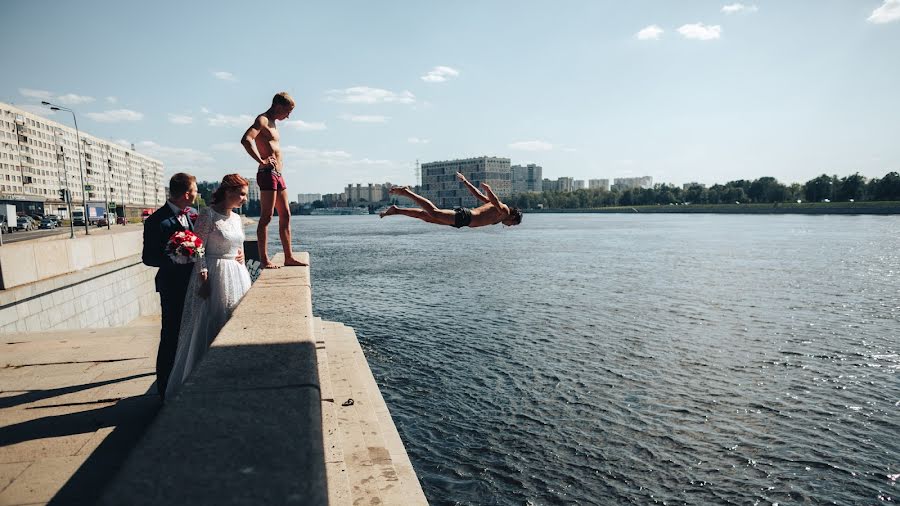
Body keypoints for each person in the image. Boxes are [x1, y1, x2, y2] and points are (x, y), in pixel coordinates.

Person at [165, 174, 253, 399]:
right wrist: (204, 279)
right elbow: (199, 249)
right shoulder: (208, 214)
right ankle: (204, 380)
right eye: (241, 194)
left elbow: (237, 243)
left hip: (237, 273)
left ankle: (232, 376)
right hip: (214, 274)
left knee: (231, 321)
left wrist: (240, 253)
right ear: (228, 192)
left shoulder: (236, 217)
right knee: (211, 323)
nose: (244, 199)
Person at [142, 173, 199, 399]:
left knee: (192, 333)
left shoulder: (194, 215)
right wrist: (177, 256)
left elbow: (200, 246)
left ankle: (187, 378)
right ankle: (164, 388)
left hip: (194, 284)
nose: (196, 194)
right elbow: (148, 258)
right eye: (194, 190)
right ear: (186, 193)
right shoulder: (157, 220)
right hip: (172, 286)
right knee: (171, 335)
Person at [240, 91, 307, 269]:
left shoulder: (274, 124)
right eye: (288, 111)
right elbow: (246, 140)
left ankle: (289, 257)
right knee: (266, 217)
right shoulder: (262, 120)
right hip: (267, 173)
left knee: (286, 214)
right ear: (278, 106)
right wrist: (261, 161)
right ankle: (264, 260)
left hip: (278, 174)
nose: (289, 116)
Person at [380, 172, 523, 228]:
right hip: (465, 217)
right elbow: (495, 200)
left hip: (464, 221)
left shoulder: (500, 215)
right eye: (512, 224)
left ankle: (397, 210)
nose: (509, 226)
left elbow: (478, 196)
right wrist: (489, 189)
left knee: (426, 217)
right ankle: (407, 193)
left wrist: (466, 182)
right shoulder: (504, 210)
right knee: (434, 213)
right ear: (513, 216)